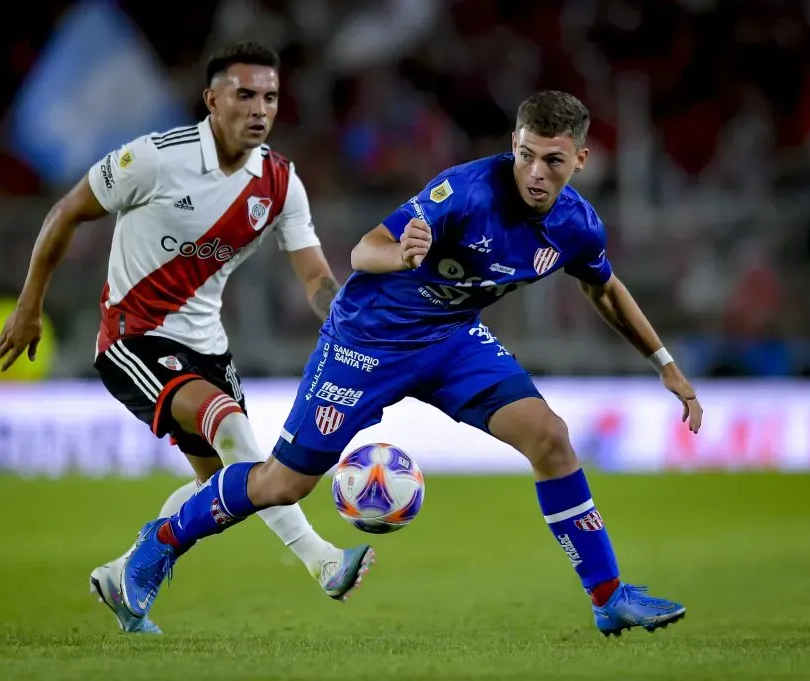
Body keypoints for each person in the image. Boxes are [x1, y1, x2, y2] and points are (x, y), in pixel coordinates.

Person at [120, 90, 704, 637]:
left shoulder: (577, 225)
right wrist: (401, 254)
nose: (534, 172)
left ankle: (608, 598)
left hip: (451, 341)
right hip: (367, 341)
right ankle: (161, 542)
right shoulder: (466, 192)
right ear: (513, 143)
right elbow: (362, 251)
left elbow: (604, 288)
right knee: (284, 483)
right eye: (525, 154)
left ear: (579, 158)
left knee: (550, 438)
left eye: (552, 161)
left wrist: (664, 363)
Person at [0, 41, 373, 634]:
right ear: (212, 99)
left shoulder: (278, 182)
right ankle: (322, 561)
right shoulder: (153, 159)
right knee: (233, 428)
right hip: (133, 337)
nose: (259, 109)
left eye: (270, 97)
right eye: (245, 95)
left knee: (225, 490)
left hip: (206, 347)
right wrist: (29, 304)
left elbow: (316, 277)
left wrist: (354, 325)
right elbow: (66, 211)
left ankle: (123, 574)